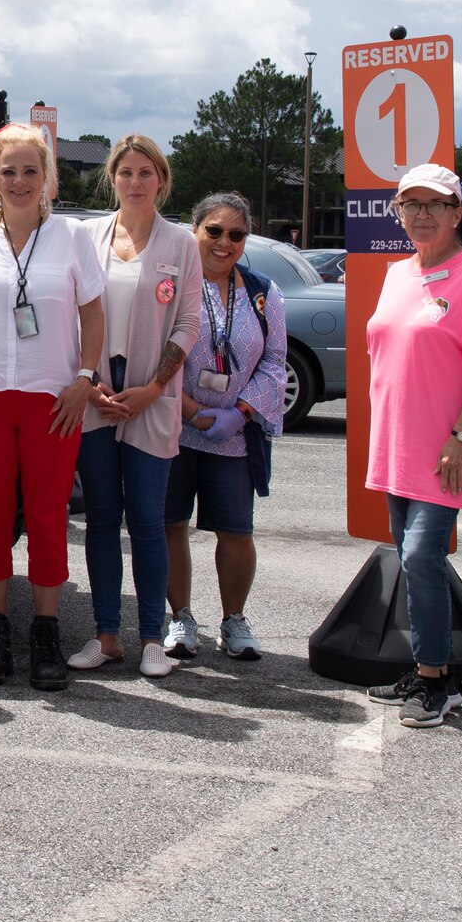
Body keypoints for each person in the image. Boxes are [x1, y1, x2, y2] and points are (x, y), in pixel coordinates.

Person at [0, 124, 103, 690]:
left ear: (47, 177)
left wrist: (85, 379)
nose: (19, 180)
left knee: (48, 516)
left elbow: (94, 316)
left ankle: (46, 632)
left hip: (52, 400)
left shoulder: (73, 237)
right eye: (9, 170)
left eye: (31, 170)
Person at [363, 165, 462, 727]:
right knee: (411, 558)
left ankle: (437, 680)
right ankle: (425, 665)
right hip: (395, 445)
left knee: (423, 555)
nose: (422, 214)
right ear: (398, 213)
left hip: (445, 447)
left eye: (435, 204)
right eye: (411, 204)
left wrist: (461, 436)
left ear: (457, 213)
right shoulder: (397, 273)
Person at [69, 135, 202, 679]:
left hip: (151, 395)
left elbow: (189, 322)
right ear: (113, 178)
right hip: (96, 395)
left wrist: (153, 389)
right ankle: (106, 635)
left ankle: (151, 635)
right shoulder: (88, 236)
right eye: (126, 172)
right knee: (101, 517)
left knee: (147, 519)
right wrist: (91, 383)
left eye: (146, 173)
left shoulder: (180, 244)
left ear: (161, 180)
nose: (136, 182)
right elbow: (72, 315)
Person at [163, 192, 286, 663]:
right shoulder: (171, 286)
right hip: (176, 427)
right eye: (213, 230)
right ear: (194, 230)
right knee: (172, 522)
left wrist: (242, 412)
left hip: (235, 434)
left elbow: (276, 362)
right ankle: (181, 618)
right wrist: (190, 410)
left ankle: (234, 619)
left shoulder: (262, 292)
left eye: (236, 234)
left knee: (236, 530)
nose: (223, 242)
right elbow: (156, 352)